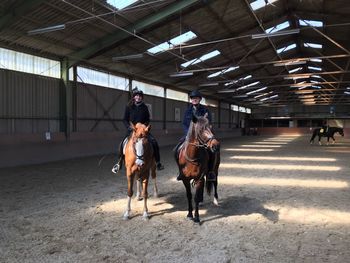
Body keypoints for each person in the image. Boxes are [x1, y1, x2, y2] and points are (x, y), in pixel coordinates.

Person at [112, 87, 164, 173]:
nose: (138, 97)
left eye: (140, 96)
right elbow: (124, 119)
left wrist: (144, 127)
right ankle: (119, 162)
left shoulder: (145, 107)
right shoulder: (129, 107)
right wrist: (129, 127)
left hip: (143, 131)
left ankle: (158, 163)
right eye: (136, 96)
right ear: (134, 97)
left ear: (142, 97)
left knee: (154, 142)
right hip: (132, 130)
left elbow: (147, 119)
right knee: (122, 143)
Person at [174, 89, 214, 181]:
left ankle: (210, 171)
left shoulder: (205, 110)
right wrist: (188, 134)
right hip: (189, 135)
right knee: (176, 149)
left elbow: (209, 123)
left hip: (202, 135)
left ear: (200, 99)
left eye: (196, 98)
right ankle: (181, 171)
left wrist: (206, 132)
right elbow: (184, 124)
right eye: (192, 98)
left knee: (211, 151)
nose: (194, 99)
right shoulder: (187, 111)